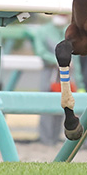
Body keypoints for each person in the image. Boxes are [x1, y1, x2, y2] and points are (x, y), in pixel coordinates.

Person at [30, 14, 72, 144]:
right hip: (49, 72)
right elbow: (40, 51)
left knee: (63, 105)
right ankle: (46, 138)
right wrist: (58, 61)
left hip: (67, 73)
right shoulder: (43, 31)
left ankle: (56, 136)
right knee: (46, 104)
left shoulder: (69, 31)